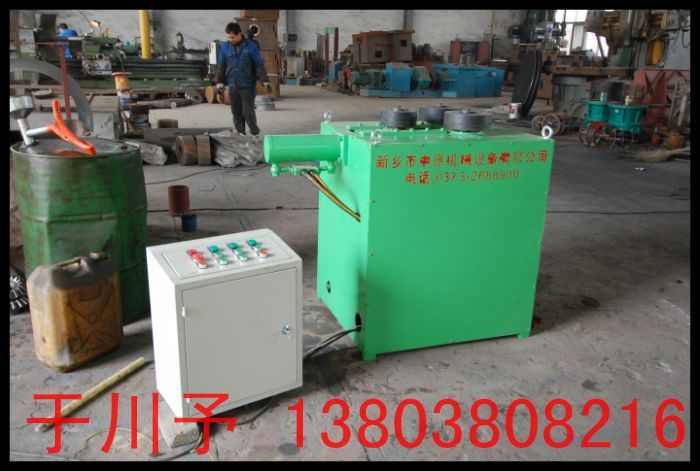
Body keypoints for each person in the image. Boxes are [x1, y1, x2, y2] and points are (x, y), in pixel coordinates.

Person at [215, 22, 272, 138]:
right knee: (236, 112)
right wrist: (219, 83)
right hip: (233, 86)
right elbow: (221, 66)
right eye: (228, 37)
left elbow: (259, 64)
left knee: (248, 112)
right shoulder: (225, 47)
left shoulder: (251, 46)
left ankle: (255, 133)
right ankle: (241, 134)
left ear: (239, 34)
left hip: (248, 86)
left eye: (232, 37)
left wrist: (265, 81)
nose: (230, 40)